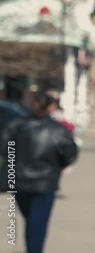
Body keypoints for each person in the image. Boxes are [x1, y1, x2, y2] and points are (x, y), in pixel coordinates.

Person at [1, 92, 78, 253]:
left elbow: (5, 149)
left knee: (32, 221)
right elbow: (69, 154)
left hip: (20, 182)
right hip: (45, 183)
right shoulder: (58, 130)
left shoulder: (16, 125)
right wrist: (57, 166)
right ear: (51, 107)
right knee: (37, 223)